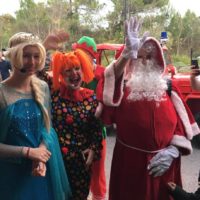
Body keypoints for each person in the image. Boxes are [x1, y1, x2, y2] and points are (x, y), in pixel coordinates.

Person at [96, 16, 200, 200]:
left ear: (157, 59)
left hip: (164, 167)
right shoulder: (121, 89)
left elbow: (182, 125)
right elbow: (107, 96)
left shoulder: (168, 87)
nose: (144, 62)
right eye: (138, 57)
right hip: (130, 166)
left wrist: (174, 150)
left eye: (149, 57)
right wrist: (127, 54)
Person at [0, 32, 71, 200]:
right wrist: (28, 152)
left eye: (36, 56)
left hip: (40, 172)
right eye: (25, 56)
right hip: (10, 175)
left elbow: (47, 128)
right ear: (13, 56)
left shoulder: (43, 87)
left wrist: (41, 154)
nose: (32, 62)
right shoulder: (2, 92)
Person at [38, 48, 103, 200]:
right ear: (60, 74)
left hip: (80, 163)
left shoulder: (90, 98)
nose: (74, 74)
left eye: (77, 68)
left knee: (79, 196)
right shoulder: (53, 92)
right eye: (68, 71)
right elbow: (36, 70)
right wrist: (46, 45)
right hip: (56, 160)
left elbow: (96, 129)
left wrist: (93, 149)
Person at [73, 36, 107, 200]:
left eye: (81, 53)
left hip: (98, 132)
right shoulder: (73, 71)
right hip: (75, 133)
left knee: (97, 172)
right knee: (77, 171)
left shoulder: (102, 75)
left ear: (91, 56)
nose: (77, 56)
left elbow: (106, 104)